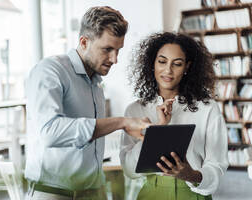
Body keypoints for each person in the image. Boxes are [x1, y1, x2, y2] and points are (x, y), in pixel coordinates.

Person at [24, 6, 151, 200]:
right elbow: (50, 132)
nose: (114, 59)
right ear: (84, 42)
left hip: (93, 192)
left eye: (118, 50)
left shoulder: (96, 84)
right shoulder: (50, 71)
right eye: (107, 49)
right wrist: (122, 122)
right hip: (53, 194)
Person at [120, 32, 229, 200]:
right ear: (152, 63)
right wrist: (157, 130)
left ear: (187, 67)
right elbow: (129, 170)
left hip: (194, 193)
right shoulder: (135, 110)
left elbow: (217, 163)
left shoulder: (207, 108)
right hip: (152, 193)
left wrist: (191, 175)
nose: (168, 70)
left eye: (177, 64)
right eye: (162, 61)